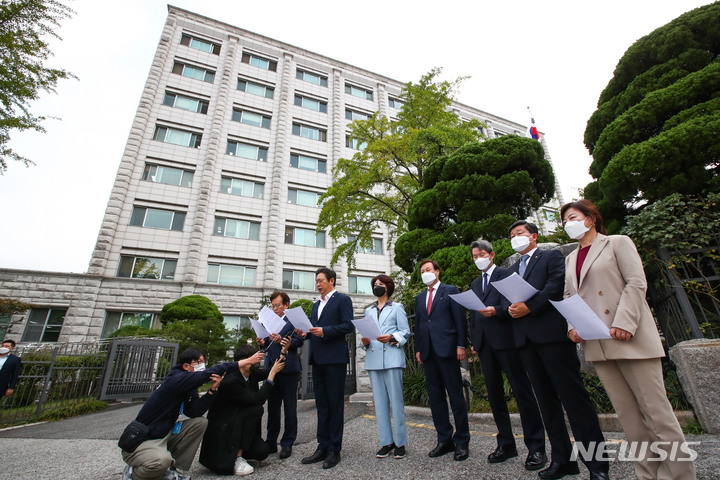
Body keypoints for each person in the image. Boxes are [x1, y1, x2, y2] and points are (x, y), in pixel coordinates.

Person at [561, 199, 697, 480]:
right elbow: (568, 296)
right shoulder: (570, 258)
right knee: (630, 419)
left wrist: (624, 322)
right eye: (563, 221)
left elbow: (636, 282)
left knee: (657, 414)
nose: (567, 224)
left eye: (572, 217)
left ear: (590, 218)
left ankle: (680, 475)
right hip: (598, 344)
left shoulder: (617, 243)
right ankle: (647, 474)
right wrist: (572, 327)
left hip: (628, 336)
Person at [505, 220, 610, 480]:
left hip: (552, 337)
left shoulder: (551, 256)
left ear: (533, 236)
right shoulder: (514, 268)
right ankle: (562, 460)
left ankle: (597, 466)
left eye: (520, 233)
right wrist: (512, 308)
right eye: (511, 235)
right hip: (527, 341)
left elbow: (554, 287)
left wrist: (529, 306)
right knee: (547, 404)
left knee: (574, 401)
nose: (515, 237)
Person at [121, 348, 264, 480]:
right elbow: (208, 373)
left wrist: (212, 390)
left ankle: (172, 468)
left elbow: (194, 412)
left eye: (203, 362)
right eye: (199, 362)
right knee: (159, 462)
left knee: (199, 423)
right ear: (186, 366)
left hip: (165, 432)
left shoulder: (189, 387)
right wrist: (245, 362)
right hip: (145, 439)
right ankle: (133, 472)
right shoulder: (176, 378)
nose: (202, 365)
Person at [468, 240, 547, 470]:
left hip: (507, 341)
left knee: (522, 392)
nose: (478, 258)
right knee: (494, 396)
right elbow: (473, 314)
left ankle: (536, 447)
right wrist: (474, 339)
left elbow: (513, 302)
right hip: (485, 345)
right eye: (474, 256)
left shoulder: (506, 274)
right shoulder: (474, 283)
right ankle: (506, 443)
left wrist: (498, 311)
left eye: (481, 254)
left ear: (491, 255)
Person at [414, 259, 470, 461]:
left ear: (437, 272)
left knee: (456, 397)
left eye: (428, 269)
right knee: (436, 399)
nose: (425, 273)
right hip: (428, 353)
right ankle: (444, 440)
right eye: (422, 271)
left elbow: (460, 320)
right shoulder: (420, 298)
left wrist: (461, 345)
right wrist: (418, 349)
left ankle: (462, 441)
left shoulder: (450, 290)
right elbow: (419, 325)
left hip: (448, 350)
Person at [199, 345, 286, 476]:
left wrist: (284, 351)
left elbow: (270, 370)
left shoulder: (251, 374)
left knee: (262, 451)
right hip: (225, 426)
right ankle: (237, 457)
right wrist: (272, 374)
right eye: (255, 359)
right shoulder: (231, 380)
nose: (257, 362)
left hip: (238, 422)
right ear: (244, 362)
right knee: (256, 410)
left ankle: (241, 451)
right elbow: (259, 399)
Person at [300, 267, 354, 469]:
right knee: (321, 405)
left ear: (331, 281)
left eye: (321, 280)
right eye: (316, 281)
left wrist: (325, 331)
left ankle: (334, 449)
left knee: (334, 405)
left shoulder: (342, 300)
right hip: (318, 359)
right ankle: (321, 446)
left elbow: (348, 325)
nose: (318, 284)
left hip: (334, 360)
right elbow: (313, 330)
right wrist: (303, 332)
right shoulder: (316, 305)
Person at [360, 274, 411, 459]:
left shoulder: (397, 307)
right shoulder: (368, 311)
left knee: (396, 402)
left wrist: (391, 337)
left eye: (380, 284)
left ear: (388, 287)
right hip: (374, 360)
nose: (377, 287)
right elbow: (365, 338)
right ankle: (386, 442)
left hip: (392, 358)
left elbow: (405, 332)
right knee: (380, 404)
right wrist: (364, 341)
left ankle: (400, 443)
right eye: (375, 284)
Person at [257, 290, 304, 459]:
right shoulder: (270, 322)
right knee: (272, 407)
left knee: (290, 407)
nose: (275, 308)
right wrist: (263, 341)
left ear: (286, 305)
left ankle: (287, 443)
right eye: (273, 306)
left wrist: (284, 341)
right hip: (272, 370)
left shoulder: (292, 321)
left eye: (278, 305)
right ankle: (271, 442)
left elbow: (300, 340)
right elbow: (268, 344)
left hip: (289, 368)